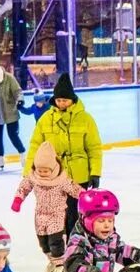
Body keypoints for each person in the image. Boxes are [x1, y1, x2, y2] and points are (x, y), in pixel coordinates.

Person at [25, 74, 103, 235]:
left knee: (76, 215)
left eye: (65, 100)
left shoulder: (86, 119)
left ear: (72, 100)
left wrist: (95, 172)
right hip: (54, 176)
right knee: (57, 216)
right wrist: (28, 172)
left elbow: (94, 148)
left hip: (79, 176)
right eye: (59, 100)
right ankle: (61, 253)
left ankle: (78, 250)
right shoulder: (46, 119)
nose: (62, 104)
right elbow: (35, 146)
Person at [11, 142, 83, 272]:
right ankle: (54, 261)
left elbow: (74, 189)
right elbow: (24, 187)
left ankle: (61, 264)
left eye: (46, 171)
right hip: (40, 214)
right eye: (40, 170)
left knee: (56, 241)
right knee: (43, 243)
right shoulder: (33, 177)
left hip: (56, 214)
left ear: (54, 168)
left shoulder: (61, 179)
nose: (42, 174)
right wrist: (18, 200)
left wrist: (85, 196)